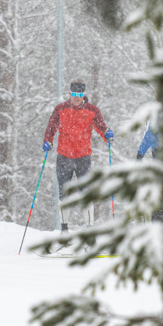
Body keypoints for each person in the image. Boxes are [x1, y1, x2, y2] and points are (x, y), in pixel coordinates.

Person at [42, 78, 112, 232]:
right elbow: (51, 127)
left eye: (79, 94)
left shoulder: (92, 110)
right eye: (74, 93)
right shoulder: (60, 109)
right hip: (64, 157)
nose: (77, 97)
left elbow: (101, 126)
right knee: (64, 194)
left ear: (83, 94)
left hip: (83, 158)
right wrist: (48, 141)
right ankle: (64, 230)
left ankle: (89, 231)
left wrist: (107, 134)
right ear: (70, 93)